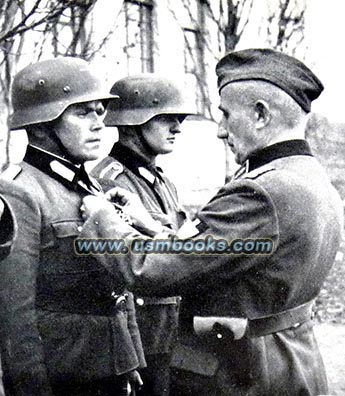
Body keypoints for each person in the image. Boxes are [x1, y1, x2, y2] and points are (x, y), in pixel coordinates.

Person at [79, 48, 344, 396]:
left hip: (247, 374)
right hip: (290, 360)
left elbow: (152, 270)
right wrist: (155, 227)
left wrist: (101, 219)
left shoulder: (259, 191)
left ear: (261, 115)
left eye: (225, 115)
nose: (219, 131)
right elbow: (218, 252)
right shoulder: (308, 176)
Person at [0, 57, 146, 396]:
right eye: (82, 113)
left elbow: (120, 290)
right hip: (65, 377)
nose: (99, 124)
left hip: (111, 371)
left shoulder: (91, 187)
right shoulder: (17, 191)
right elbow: (14, 317)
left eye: (99, 111)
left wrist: (130, 358)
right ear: (39, 126)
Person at [90, 74, 195, 396]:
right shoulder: (110, 183)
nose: (177, 127)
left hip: (171, 326)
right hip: (141, 333)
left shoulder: (163, 181)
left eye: (179, 119)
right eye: (166, 118)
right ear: (132, 123)